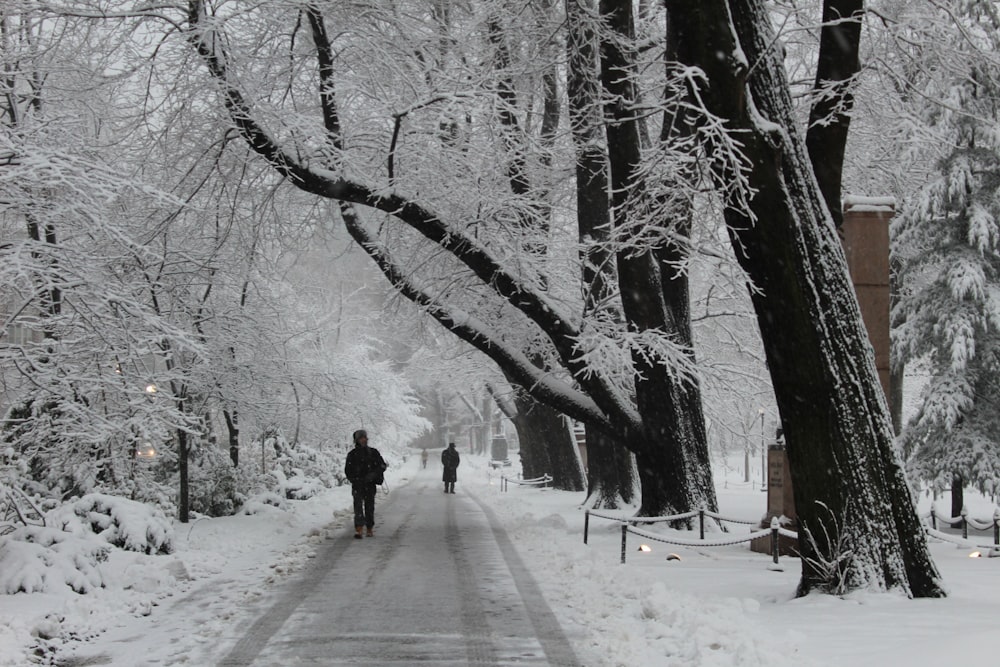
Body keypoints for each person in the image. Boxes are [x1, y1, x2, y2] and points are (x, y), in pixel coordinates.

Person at [344, 429, 387, 538]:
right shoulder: (352, 455)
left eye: (364, 437)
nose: (363, 440)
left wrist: (373, 475)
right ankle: (358, 529)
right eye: (361, 438)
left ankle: (369, 528)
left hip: (370, 484)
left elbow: (382, 466)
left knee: (369, 507)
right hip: (358, 485)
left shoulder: (373, 452)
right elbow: (348, 470)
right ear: (356, 440)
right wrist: (355, 479)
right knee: (358, 507)